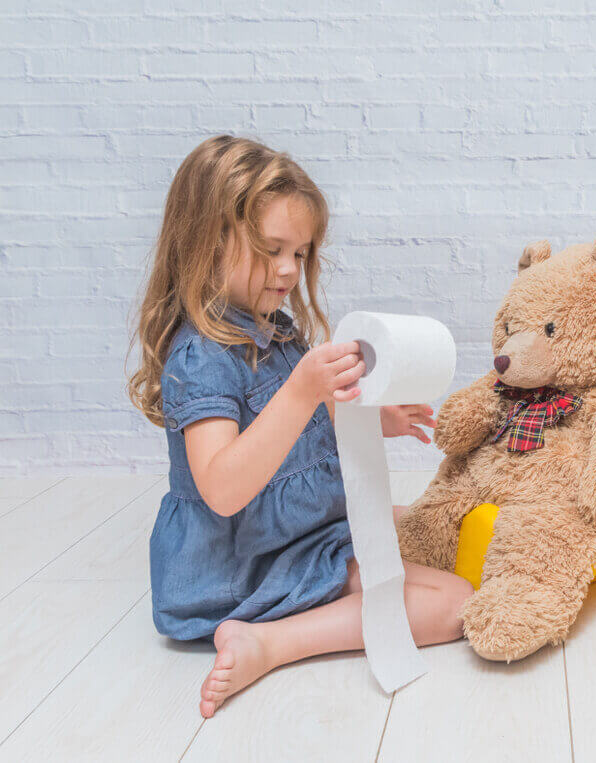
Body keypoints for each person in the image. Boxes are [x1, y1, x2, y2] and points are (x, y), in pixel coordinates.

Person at [126, 134, 473, 719]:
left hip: (294, 533)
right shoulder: (201, 357)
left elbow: (314, 416)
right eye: (272, 248)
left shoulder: (275, 329)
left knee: (422, 524)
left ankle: (295, 615)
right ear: (209, 240)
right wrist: (301, 388)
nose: (289, 269)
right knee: (456, 604)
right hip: (241, 565)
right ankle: (270, 643)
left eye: (302, 253)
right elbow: (223, 487)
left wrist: (374, 418)